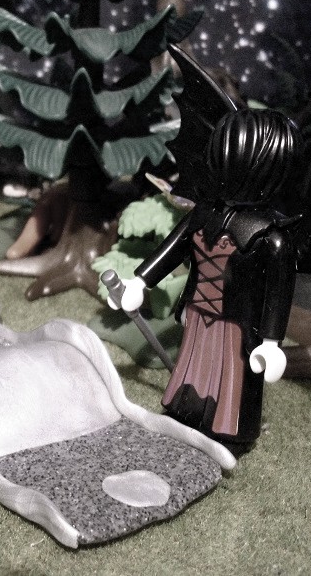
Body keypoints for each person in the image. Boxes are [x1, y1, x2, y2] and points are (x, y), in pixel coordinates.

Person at [111, 108, 300, 451]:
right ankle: (186, 414)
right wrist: (139, 282)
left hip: (237, 326)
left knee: (231, 377)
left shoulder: (272, 237)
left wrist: (272, 342)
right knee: (193, 368)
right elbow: (171, 251)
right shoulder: (203, 214)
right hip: (198, 313)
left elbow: (278, 293)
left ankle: (227, 431)